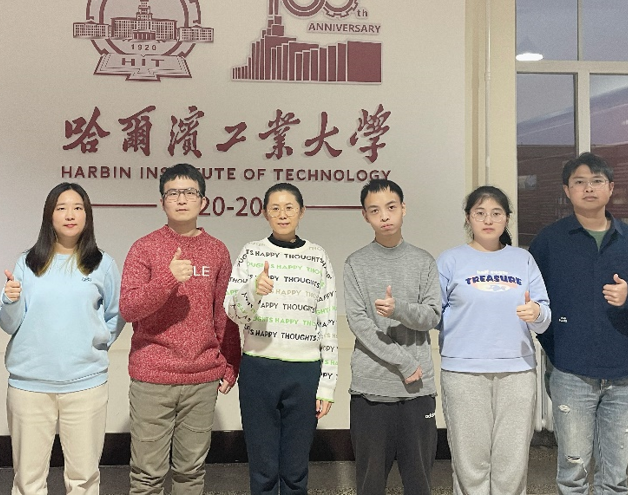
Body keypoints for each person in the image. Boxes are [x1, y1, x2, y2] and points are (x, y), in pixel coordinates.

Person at [529, 152, 628, 494]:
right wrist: (555, 344)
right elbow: (532, 299)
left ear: (610, 188)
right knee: (573, 472)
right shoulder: (550, 240)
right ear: (567, 190)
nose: (588, 188)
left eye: (596, 181)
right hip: (570, 370)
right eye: (579, 182)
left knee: (615, 475)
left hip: (623, 370)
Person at [120, 163, 241, 495]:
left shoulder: (217, 250)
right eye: (173, 193)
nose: (182, 199)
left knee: (191, 473)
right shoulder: (144, 247)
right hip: (152, 376)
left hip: (201, 378)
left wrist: (231, 363)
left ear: (203, 201)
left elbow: (224, 314)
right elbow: (129, 308)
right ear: (162, 201)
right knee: (147, 476)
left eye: (190, 192)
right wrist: (168, 279)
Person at [0, 182, 124, 495]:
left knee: (84, 478)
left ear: (87, 215)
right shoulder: (28, 263)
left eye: (78, 208)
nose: (70, 215)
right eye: (62, 208)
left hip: (85, 384)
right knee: (28, 481)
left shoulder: (103, 264)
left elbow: (116, 314)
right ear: (49, 216)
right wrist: (10, 300)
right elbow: (9, 324)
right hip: (29, 385)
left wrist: (93, 345)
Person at [437, 185, 551, 495]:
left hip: (517, 371)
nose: (488, 220)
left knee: (511, 462)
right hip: (463, 372)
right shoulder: (450, 260)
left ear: (507, 219)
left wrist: (536, 312)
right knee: (470, 462)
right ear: (468, 218)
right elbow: (433, 314)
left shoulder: (523, 259)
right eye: (480, 213)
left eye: (496, 213)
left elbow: (544, 318)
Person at [225, 182, 337, 495]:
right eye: (275, 208)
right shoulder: (251, 253)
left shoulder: (317, 257)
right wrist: (253, 290)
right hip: (258, 369)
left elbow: (327, 322)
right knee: (263, 469)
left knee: (295, 469)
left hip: (305, 372)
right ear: (265, 213)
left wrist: (327, 385)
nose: (283, 214)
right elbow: (233, 311)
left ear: (302, 212)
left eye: (289, 207)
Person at [343, 179, 440, 495]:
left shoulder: (424, 261)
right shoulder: (355, 263)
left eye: (391, 207)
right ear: (365, 216)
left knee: (420, 484)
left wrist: (399, 310)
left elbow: (432, 316)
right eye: (374, 210)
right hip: (371, 391)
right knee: (370, 485)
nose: (384, 216)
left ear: (403, 209)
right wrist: (405, 362)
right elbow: (359, 323)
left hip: (417, 392)